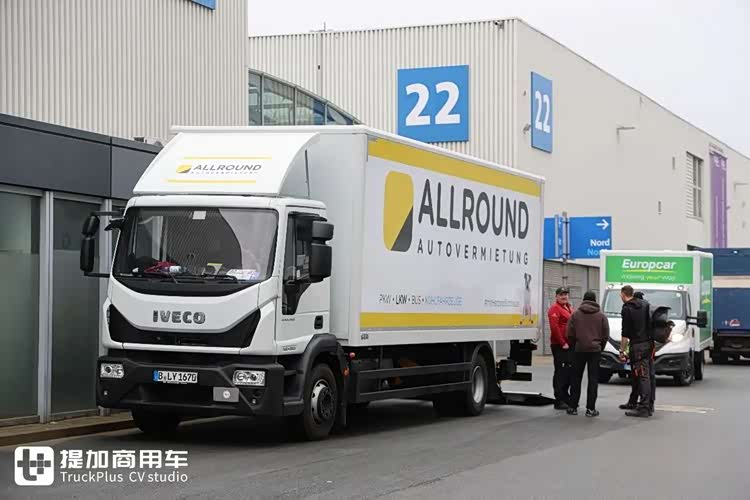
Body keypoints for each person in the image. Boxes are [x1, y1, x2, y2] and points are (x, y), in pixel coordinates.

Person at [566, 290, 610, 417]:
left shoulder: (575, 315)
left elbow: (569, 333)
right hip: (595, 351)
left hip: (579, 349)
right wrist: (600, 347)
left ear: (584, 300)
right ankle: (590, 409)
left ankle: (573, 407)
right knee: (593, 379)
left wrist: (574, 345)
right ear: (595, 300)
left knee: (576, 378)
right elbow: (605, 334)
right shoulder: (601, 316)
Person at [620, 291, 656, 415]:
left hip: (638, 345)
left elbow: (625, 333)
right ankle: (648, 404)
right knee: (648, 375)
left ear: (623, 295)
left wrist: (622, 351)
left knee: (642, 376)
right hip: (649, 344)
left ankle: (644, 408)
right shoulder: (646, 304)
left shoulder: (627, 308)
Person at [548, 287, 574, 410]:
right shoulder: (554, 309)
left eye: (566, 294)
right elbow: (554, 328)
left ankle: (565, 396)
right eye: (561, 294)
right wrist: (563, 343)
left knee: (568, 373)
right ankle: (559, 399)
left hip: (569, 346)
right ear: (556, 296)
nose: (564, 296)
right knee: (560, 373)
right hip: (559, 346)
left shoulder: (569, 308)